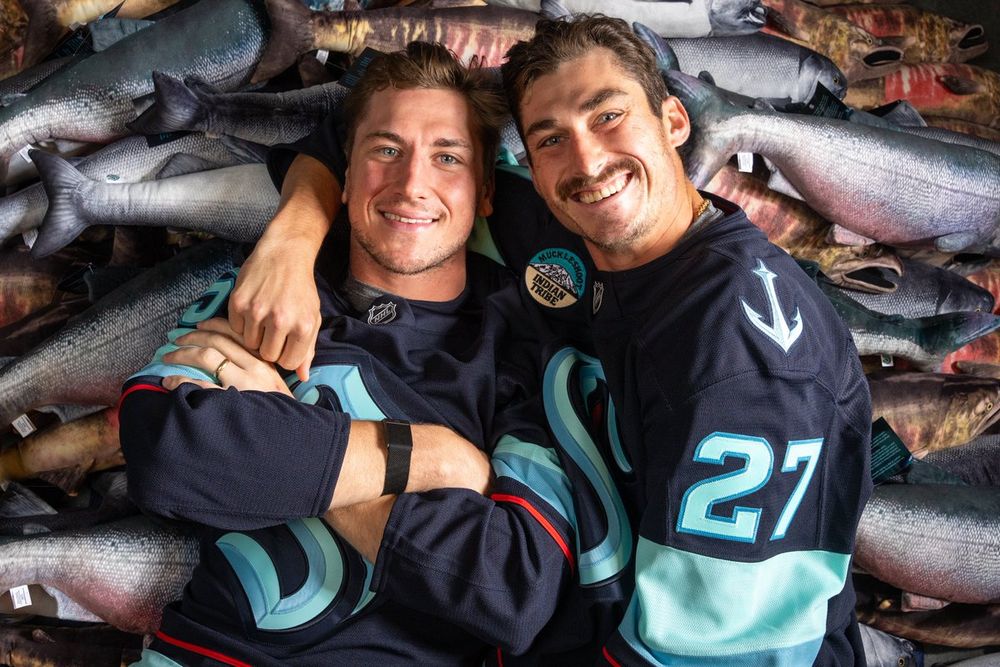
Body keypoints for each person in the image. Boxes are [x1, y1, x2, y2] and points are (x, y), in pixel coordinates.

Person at [233, 16, 873, 667]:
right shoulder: (571, 219)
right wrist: (289, 243)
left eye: (609, 117)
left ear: (675, 121)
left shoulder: (743, 351)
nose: (588, 161)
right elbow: (364, 134)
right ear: (529, 167)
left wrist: (306, 452)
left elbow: (722, 652)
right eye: (551, 139)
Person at [120, 42, 618, 666]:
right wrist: (430, 456)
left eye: (447, 158)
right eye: (386, 151)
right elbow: (168, 451)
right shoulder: (272, 298)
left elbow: (511, 589)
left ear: (485, 191)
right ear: (345, 175)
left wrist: (286, 423)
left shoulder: (523, 351)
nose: (412, 185)